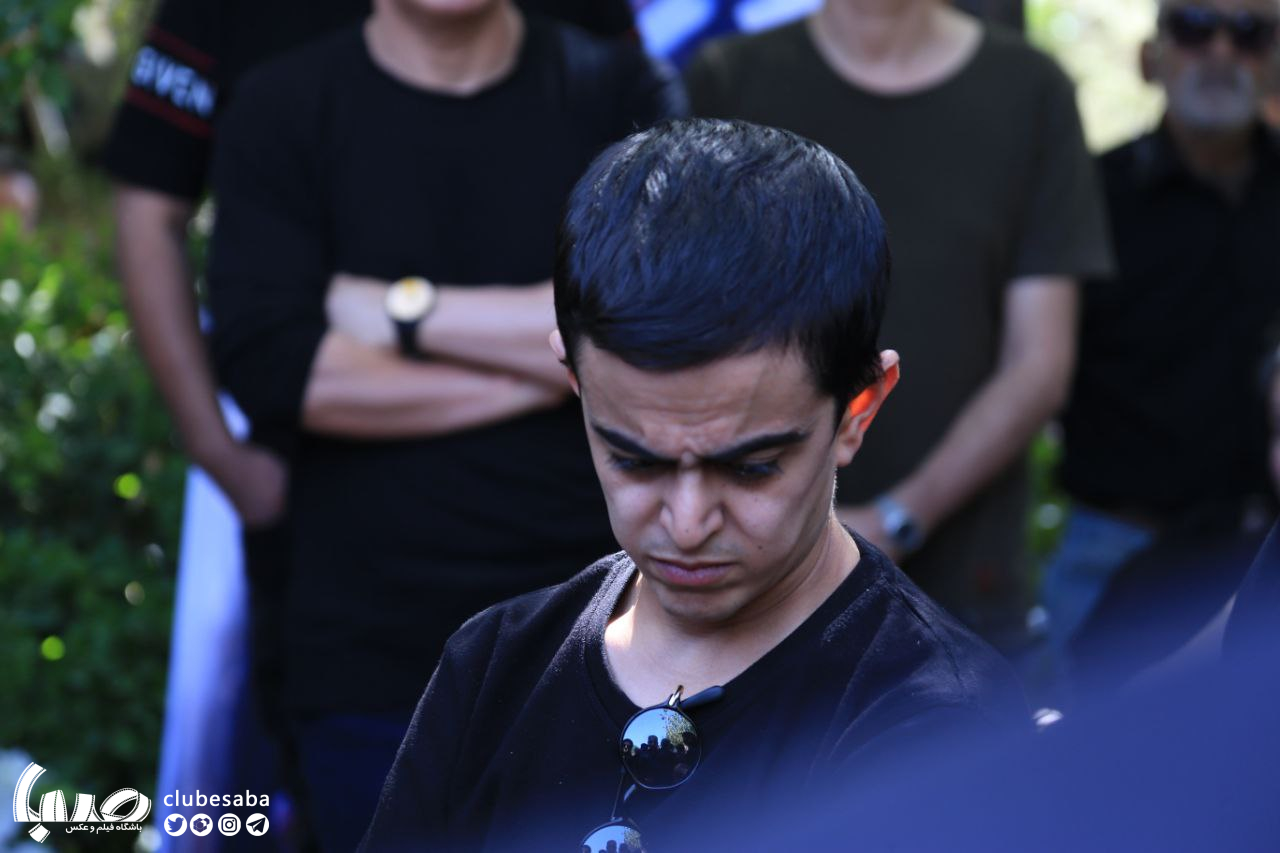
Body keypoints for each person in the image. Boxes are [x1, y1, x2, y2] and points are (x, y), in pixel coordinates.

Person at [359, 118, 1028, 853]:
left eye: (750, 467)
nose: (685, 522)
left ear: (857, 409)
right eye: (634, 459)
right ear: (577, 382)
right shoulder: (493, 665)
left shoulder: (942, 730)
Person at [101, 0, 640, 845]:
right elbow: (277, 360)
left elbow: (649, 319)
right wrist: (217, 449)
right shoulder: (280, 103)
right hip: (361, 624)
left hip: (595, 614)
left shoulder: (608, 79)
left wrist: (400, 314)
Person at [681, 0, 1112, 650]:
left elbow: (1040, 363)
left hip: (961, 591)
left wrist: (898, 519)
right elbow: (688, 329)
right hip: (752, 575)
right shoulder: (730, 78)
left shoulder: (1030, 90)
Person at [1045, 0, 1280, 661]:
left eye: (1250, 33)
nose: (1221, 51)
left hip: (1267, 556)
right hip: (1115, 553)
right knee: (1090, 733)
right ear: (1150, 57)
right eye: (1194, 26)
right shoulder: (1089, 195)